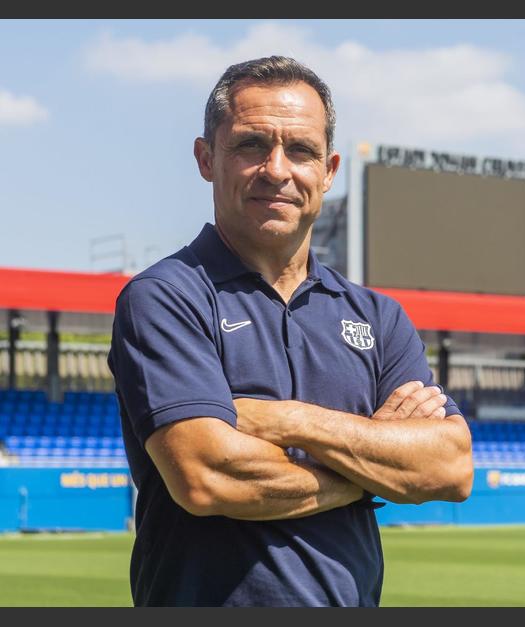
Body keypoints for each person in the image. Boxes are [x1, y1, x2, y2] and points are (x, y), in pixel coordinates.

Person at [107, 55, 474, 607]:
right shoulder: (165, 298)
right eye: (252, 144)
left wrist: (287, 420)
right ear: (207, 159)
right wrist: (375, 472)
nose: (277, 169)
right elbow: (209, 477)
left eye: (300, 150)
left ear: (328, 171)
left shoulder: (377, 316)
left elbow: (450, 467)